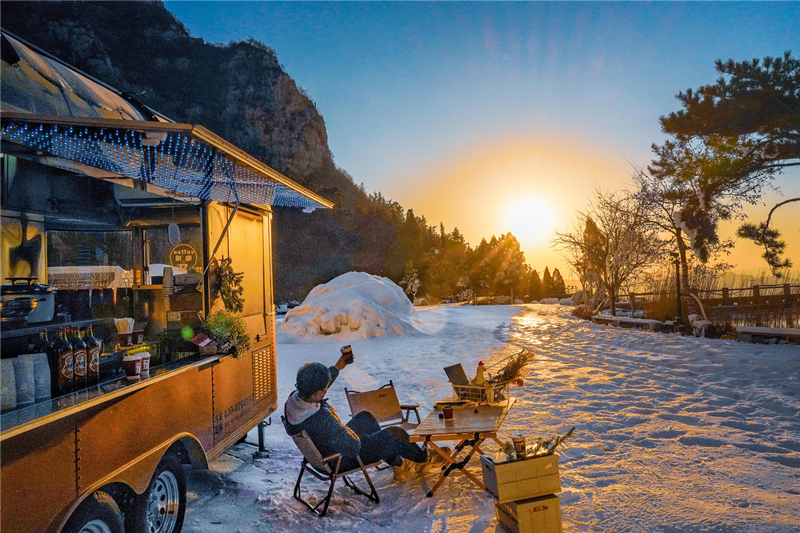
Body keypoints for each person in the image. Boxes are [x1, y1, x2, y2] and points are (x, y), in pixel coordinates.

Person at [283, 350, 427, 472]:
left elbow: (315, 386)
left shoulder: (296, 400)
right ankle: (424, 459)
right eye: (325, 387)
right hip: (341, 459)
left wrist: (338, 366)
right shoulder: (322, 419)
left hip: (327, 447)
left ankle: (395, 461)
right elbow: (352, 447)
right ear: (318, 394)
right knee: (395, 434)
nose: (327, 387)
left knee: (365, 418)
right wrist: (360, 436)